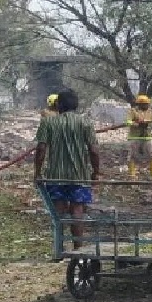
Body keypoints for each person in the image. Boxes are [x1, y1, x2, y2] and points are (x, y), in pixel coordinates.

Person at [33, 89, 101, 251]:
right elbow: (94, 150)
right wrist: (96, 171)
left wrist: (37, 172)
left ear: (58, 105)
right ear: (76, 105)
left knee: (58, 210)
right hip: (80, 176)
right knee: (77, 210)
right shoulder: (86, 123)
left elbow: (41, 149)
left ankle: (59, 248)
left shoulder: (48, 123)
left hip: (55, 176)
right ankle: (78, 249)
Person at [126, 94, 152, 179]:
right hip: (135, 137)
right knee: (132, 155)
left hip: (147, 137)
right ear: (140, 104)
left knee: (151, 155)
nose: (147, 105)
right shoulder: (133, 111)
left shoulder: (150, 111)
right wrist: (137, 123)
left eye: (147, 104)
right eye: (145, 104)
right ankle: (132, 173)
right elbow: (128, 122)